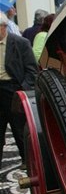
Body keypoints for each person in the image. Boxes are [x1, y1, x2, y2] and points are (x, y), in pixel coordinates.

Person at [0, 12, 38, 164]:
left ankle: (28, 163)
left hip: (13, 89)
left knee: (20, 129)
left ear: (3, 27)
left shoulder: (20, 43)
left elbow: (32, 71)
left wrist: (22, 90)